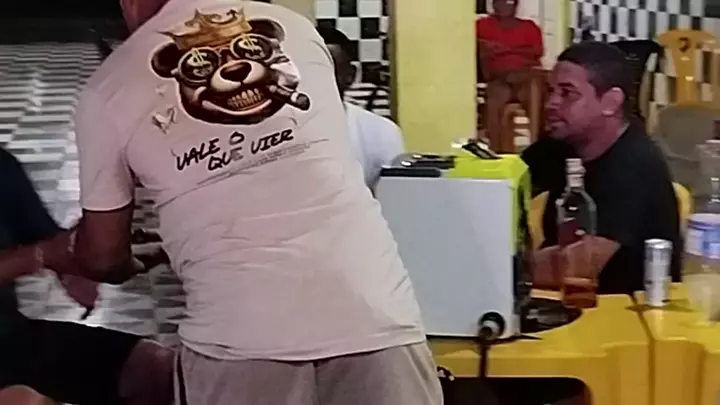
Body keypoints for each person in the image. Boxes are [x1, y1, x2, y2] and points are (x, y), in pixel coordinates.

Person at [72, 1, 442, 405]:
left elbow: (103, 255)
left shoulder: (110, 86)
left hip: (241, 344)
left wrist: (125, 260)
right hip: (378, 320)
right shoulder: (298, 29)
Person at [0, 147, 174, 405]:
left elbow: (47, 239)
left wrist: (86, 255)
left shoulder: (3, 166)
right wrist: (37, 256)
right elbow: (43, 251)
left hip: (11, 338)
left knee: (156, 370)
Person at [523, 41, 681, 297]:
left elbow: (575, 266)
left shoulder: (635, 165)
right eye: (551, 91)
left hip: (626, 311)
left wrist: (497, 266)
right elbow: (507, 186)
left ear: (610, 102)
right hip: (571, 302)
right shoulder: (562, 145)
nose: (551, 103)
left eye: (567, 93)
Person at [317, 26, 405, 189]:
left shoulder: (380, 132)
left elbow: (395, 195)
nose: (317, 76)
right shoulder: (272, 132)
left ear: (350, 75)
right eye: (309, 67)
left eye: (330, 68)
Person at [476, 0, 543, 150]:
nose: (505, 5)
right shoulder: (482, 25)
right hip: (498, 78)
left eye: (509, 1)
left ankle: (540, 146)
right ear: (493, 4)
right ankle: (497, 151)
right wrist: (518, 50)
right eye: (500, 1)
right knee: (495, 104)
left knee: (537, 94)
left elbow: (537, 51)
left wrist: (505, 49)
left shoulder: (529, 26)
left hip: (525, 77)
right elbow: (478, 45)